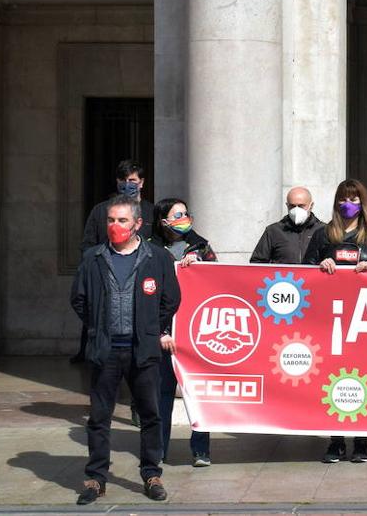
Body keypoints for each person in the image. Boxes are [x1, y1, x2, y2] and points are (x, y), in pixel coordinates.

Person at [71, 196, 180, 505]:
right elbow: (78, 298)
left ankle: (151, 474)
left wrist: (150, 327)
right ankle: (96, 478)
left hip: (141, 351)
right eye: (110, 220)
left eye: (121, 221)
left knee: (150, 415)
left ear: (137, 224)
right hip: (105, 351)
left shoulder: (157, 258)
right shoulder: (93, 258)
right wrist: (96, 328)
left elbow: (171, 299)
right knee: (99, 417)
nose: (115, 226)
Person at [304, 179, 367, 464]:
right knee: (333, 380)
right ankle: (336, 441)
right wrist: (320, 267)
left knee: (363, 380)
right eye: (345, 199)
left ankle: (362, 441)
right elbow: (303, 273)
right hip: (330, 323)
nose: (349, 204)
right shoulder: (323, 235)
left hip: (365, 323)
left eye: (355, 199)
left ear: (363, 204)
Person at [149, 198, 216, 467]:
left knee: (198, 393)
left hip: (194, 332)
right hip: (163, 332)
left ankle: (201, 449)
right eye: (177, 214)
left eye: (186, 213)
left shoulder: (201, 246)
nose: (184, 217)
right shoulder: (150, 248)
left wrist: (200, 263)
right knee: (162, 393)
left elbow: (220, 281)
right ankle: (159, 450)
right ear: (163, 221)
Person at [73, 160, 156, 365]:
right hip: (106, 272)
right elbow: (87, 243)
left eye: (132, 180)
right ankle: (89, 353)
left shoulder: (151, 212)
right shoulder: (101, 211)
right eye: (123, 180)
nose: (127, 184)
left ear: (141, 182)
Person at [250, 186, 326, 264]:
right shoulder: (273, 231)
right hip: (284, 276)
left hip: (312, 276)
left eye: (301, 206)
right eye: (292, 206)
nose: (296, 210)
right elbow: (257, 263)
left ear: (311, 206)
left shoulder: (324, 231)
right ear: (287, 205)